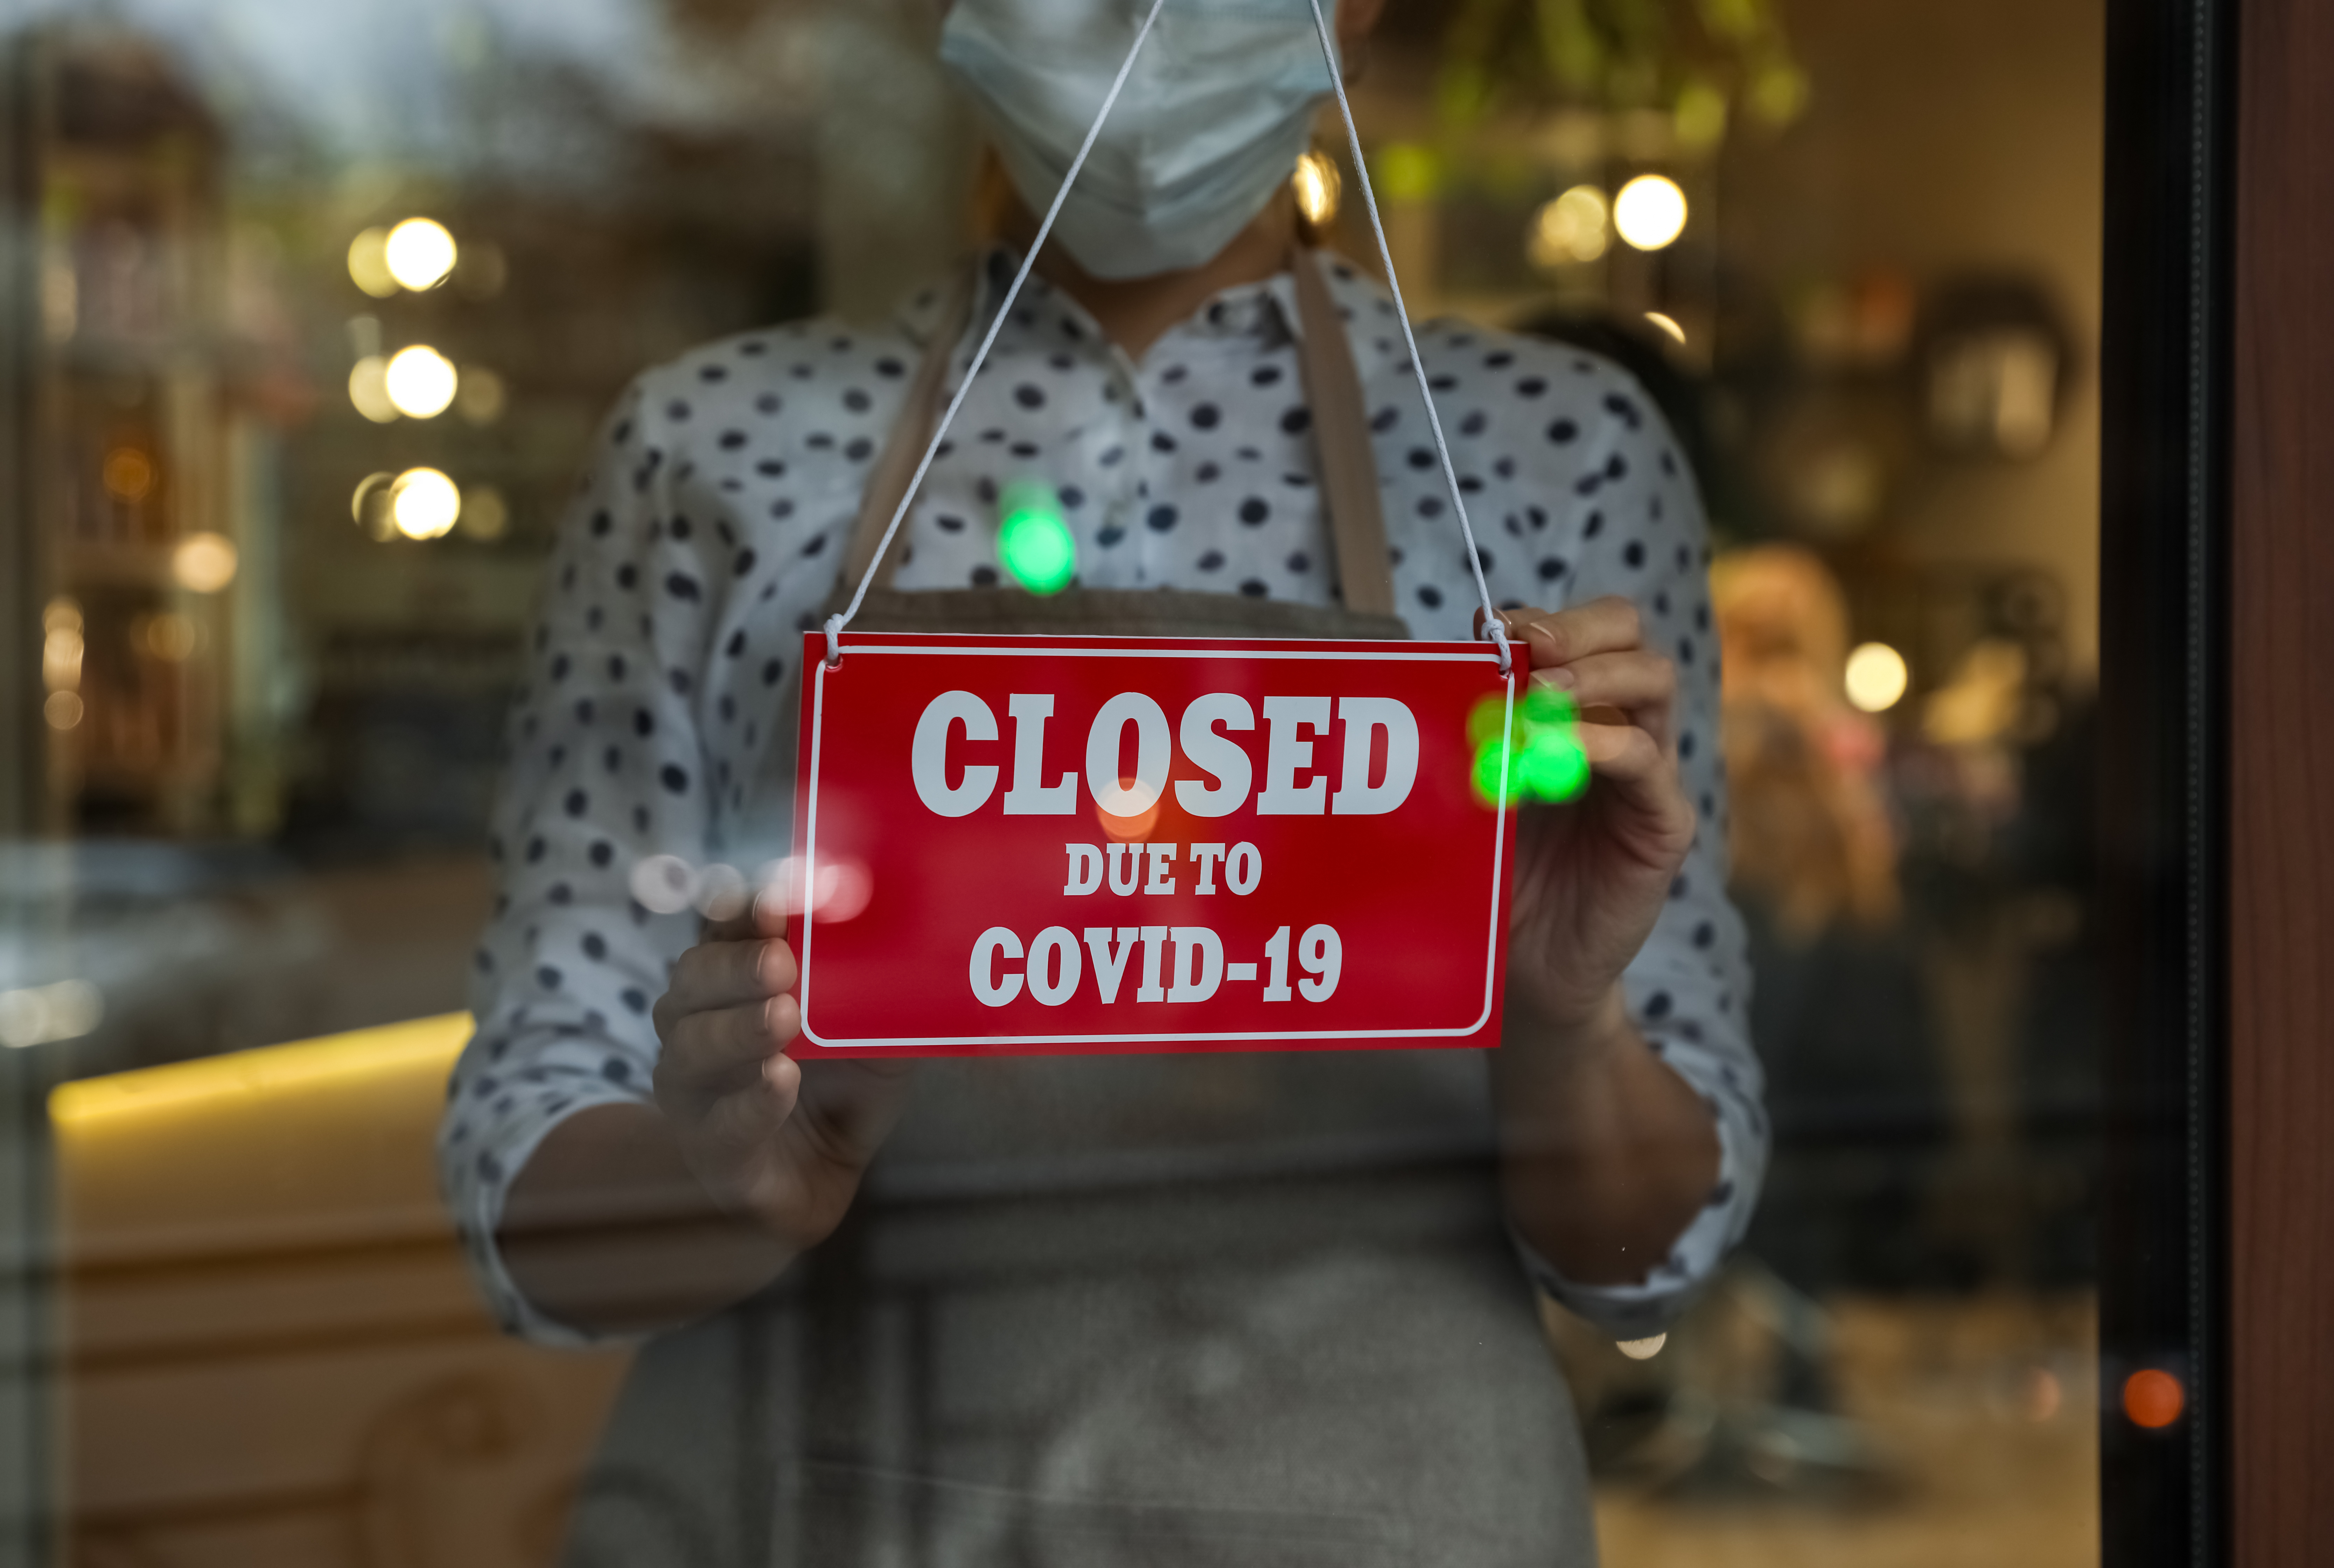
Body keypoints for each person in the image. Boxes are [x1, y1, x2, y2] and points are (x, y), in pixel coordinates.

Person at [438, 1, 1764, 1561]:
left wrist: (1563, 1016)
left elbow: (1646, 1259)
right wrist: (729, 1173)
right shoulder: (711, 449)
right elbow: (526, 1179)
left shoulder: (1559, 453)